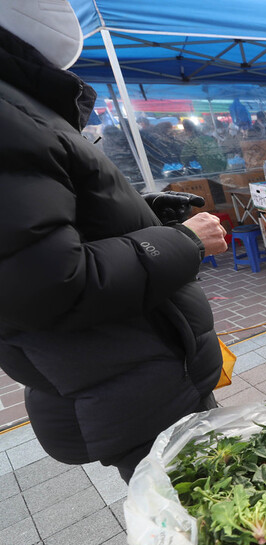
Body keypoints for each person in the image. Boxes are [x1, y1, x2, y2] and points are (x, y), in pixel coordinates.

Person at [0, 0, 228, 483]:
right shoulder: (9, 115)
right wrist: (186, 241)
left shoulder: (23, 106)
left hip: (135, 374)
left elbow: (43, 230)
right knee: (202, 523)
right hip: (131, 383)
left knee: (197, 515)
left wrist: (143, 212)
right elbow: (49, 281)